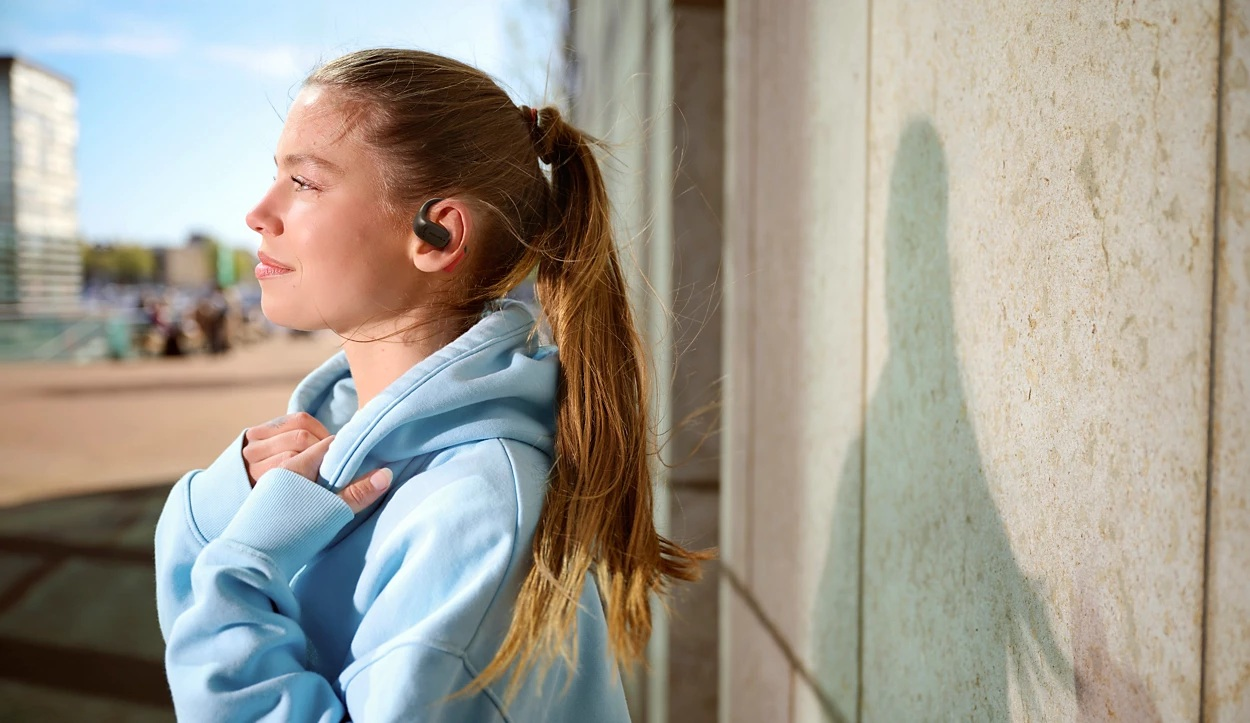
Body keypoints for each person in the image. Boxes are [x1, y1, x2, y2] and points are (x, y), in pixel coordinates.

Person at [154, 48, 711, 722]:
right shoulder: (332, 457)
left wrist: (239, 571)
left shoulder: (475, 521)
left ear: (437, 234)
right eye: (275, 174)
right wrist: (219, 514)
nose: (257, 213)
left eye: (303, 182)